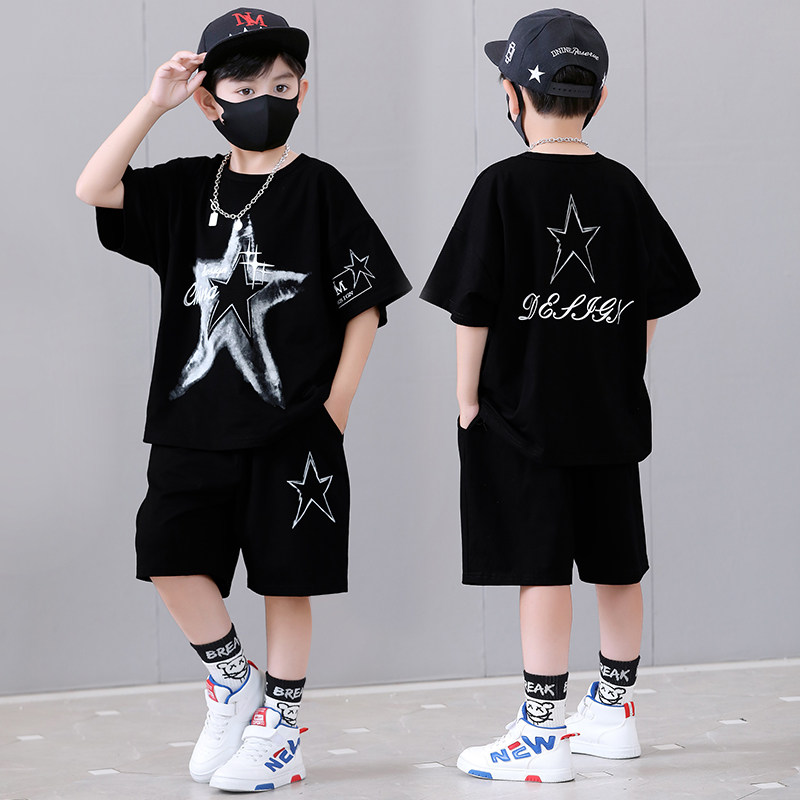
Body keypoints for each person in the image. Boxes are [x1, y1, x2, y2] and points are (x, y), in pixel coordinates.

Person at [76, 7, 410, 793]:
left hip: (295, 431)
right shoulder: (188, 188)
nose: (267, 98)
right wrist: (154, 102)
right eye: (246, 86)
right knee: (167, 553)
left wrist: (336, 410)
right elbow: (95, 186)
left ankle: (283, 733)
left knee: (286, 581)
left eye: (283, 86)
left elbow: (364, 306)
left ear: (302, 93)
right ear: (210, 101)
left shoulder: (321, 188)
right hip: (191, 425)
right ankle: (233, 681)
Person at [421, 8, 700, 784]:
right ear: (599, 98)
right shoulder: (624, 187)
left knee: (539, 567)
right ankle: (613, 711)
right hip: (609, 414)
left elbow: (472, 306)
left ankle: (542, 730)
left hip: (521, 419)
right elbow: (651, 304)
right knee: (616, 561)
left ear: (511, 96)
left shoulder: (500, 186)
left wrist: (466, 399)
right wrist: (624, 375)